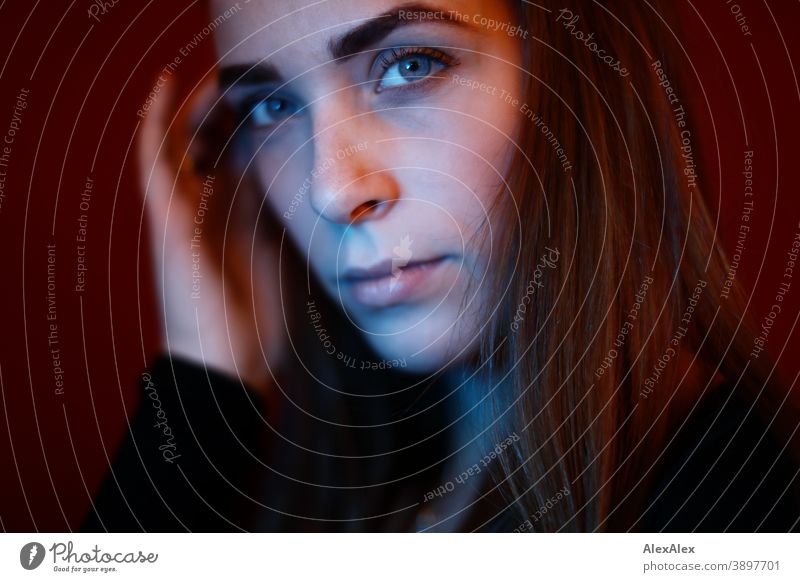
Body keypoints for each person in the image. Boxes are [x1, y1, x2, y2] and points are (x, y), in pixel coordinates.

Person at [83, 0, 800, 532]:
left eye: (410, 65)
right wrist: (201, 378)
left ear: (583, 85)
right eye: (272, 105)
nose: (333, 188)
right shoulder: (326, 502)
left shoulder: (748, 511)